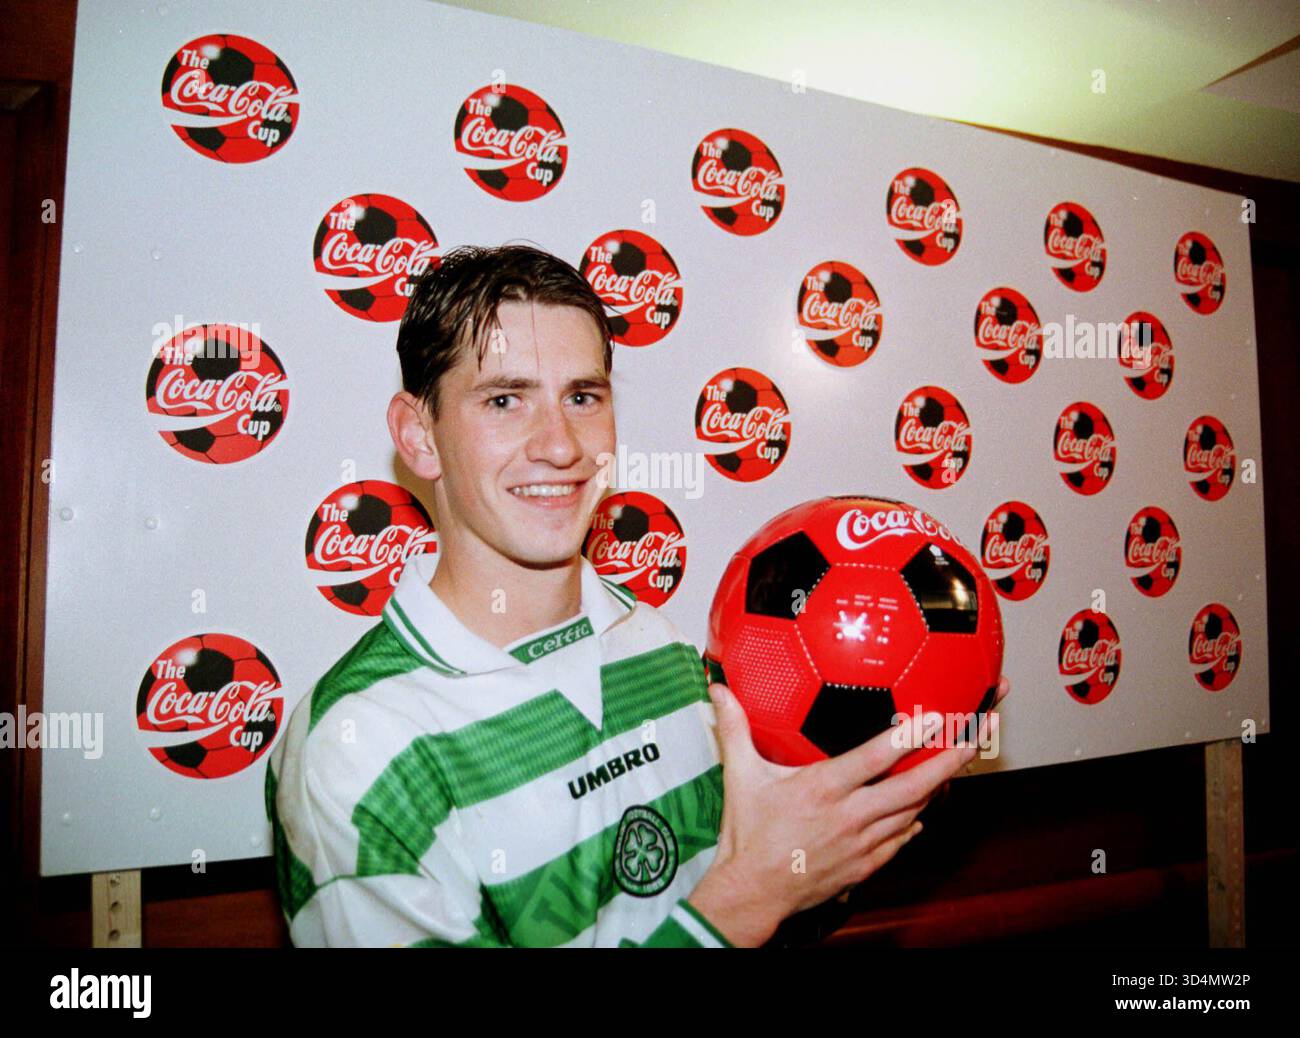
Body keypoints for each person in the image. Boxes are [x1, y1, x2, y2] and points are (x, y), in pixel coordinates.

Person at [265, 243, 1007, 947]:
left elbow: (778, 912)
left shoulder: (667, 651)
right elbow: (745, 904)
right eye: (504, 401)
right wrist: (743, 901)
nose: (561, 445)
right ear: (419, 435)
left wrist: (860, 823)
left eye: (583, 396)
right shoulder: (354, 750)